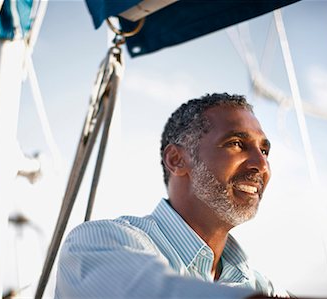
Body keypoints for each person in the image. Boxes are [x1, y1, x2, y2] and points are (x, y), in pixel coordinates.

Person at [55, 93, 288, 298]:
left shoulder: (258, 283)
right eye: (237, 143)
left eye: (264, 151)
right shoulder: (94, 243)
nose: (262, 165)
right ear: (177, 160)